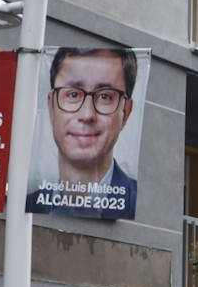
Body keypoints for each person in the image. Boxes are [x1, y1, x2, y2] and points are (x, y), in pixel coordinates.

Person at [26, 47, 139, 218]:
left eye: (105, 96)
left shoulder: (137, 203)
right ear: (51, 107)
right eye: (72, 94)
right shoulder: (31, 203)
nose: (87, 115)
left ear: (126, 112)